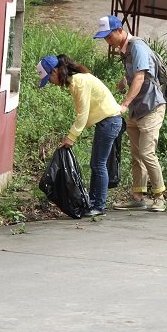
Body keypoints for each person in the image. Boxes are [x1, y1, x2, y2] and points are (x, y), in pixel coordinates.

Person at [93, 15, 167, 211]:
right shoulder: (124, 51)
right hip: (137, 109)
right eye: (105, 38)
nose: (107, 41)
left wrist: (125, 103)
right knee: (136, 154)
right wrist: (124, 81)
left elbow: (141, 76)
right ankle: (138, 196)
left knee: (147, 153)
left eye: (108, 37)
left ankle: (160, 196)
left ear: (119, 30)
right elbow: (135, 74)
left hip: (151, 107)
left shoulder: (137, 46)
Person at [36, 54, 123, 217]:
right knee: (96, 164)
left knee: (98, 165)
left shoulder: (79, 82)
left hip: (110, 121)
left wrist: (70, 138)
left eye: (49, 79)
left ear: (55, 71)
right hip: (108, 122)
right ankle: (94, 203)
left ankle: (99, 205)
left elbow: (82, 114)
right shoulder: (75, 81)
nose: (51, 83)